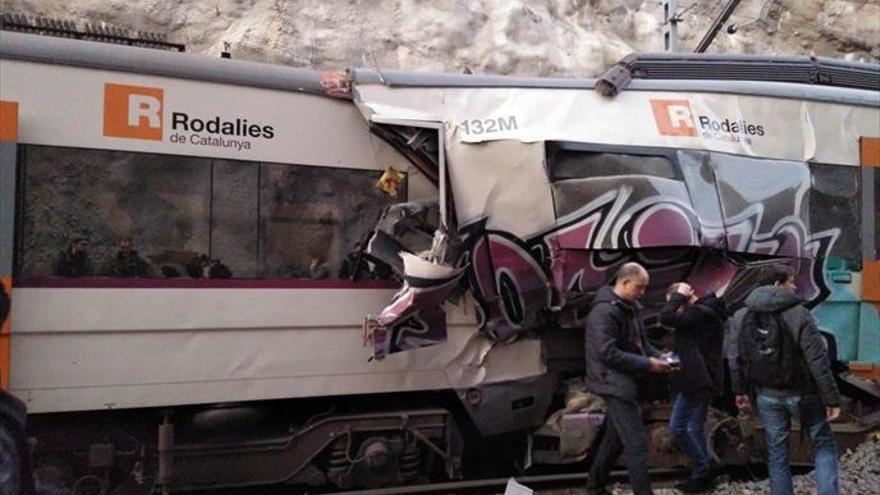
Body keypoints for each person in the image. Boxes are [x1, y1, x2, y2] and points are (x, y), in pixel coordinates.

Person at [731, 264, 841, 495]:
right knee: (823, 444)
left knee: (777, 452)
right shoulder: (799, 313)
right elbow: (817, 361)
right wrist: (832, 399)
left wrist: (739, 392)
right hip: (803, 394)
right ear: (776, 284)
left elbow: (736, 358)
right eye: (790, 281)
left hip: (767, 395)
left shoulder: (741, 316)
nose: (793, 286)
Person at [584, 262, 673, 495]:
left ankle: (593, 488)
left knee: (614, 439)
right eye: (639, 287)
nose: (642, 293)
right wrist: (648, 364)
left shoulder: (627, 307)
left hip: (620, 381)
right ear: (623, 282)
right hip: (613, 383)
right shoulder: (605, 312)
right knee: (637, 443)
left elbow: (640, 344)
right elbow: (607, 352)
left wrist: (660, 356)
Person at [660, 282, 728, 493]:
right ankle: (703, 472)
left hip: (697, 381)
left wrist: (679, 296)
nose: (675, 307)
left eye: (676, 302)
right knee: (694, 427)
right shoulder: (703, 313)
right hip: (701, 380)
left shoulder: (700, 313)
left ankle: (703, 469)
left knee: (678, 427)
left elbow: (666, 317)